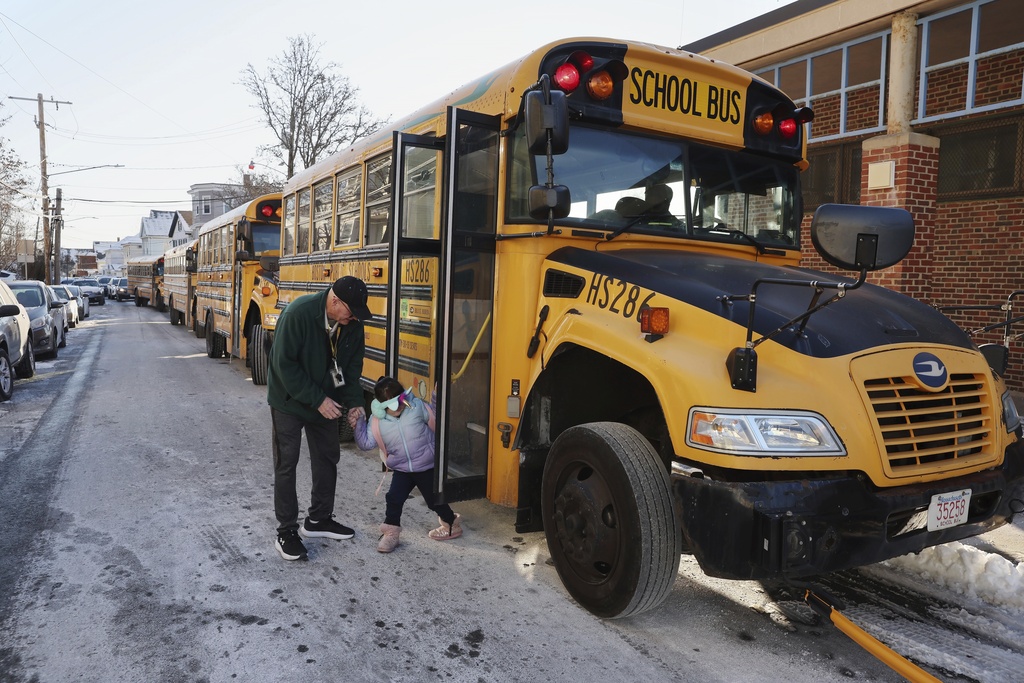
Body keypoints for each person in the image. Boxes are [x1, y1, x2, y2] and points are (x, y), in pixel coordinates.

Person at [267, 275, 372, 561]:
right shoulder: (298, 313)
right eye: (351, 311)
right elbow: (284, 365)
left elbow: (350, 370)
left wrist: (353, 404)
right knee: (286, 463)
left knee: (328, 457)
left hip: (327, 401)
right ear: (335, 302)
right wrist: (317, 400)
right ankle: (286, 531)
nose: (354, 318)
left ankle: (318, 520)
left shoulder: (352, 325)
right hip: (289, 400)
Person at [348, 376, 462, 553]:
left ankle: (451, 522)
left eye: (401, 399)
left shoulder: (415, 406)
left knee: (434, 502)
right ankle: (391, 534)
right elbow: (365, 444)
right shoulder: (377, 422)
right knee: (394, 498)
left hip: (426, 465)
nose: (399, 406)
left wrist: (436, 397)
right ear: (382, 405)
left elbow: (437, 417)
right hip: (402, 469)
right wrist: (359, 424)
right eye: (393, 404)